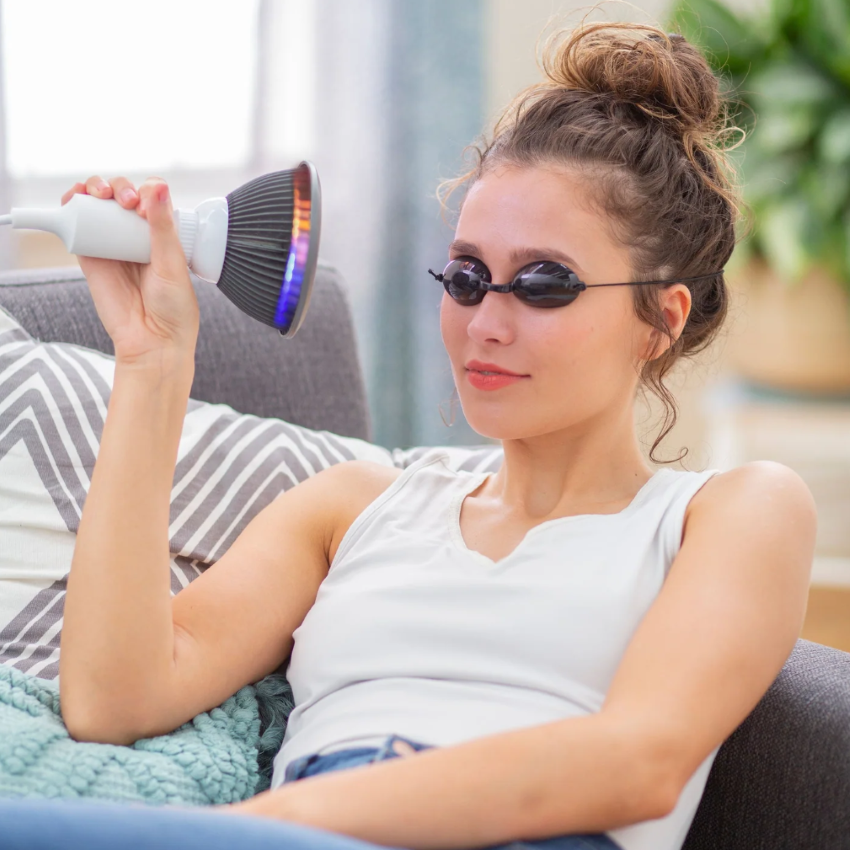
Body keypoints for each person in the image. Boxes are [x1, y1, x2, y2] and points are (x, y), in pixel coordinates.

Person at [0, 19, 817, 850]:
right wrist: (152, 363)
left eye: (543, 284)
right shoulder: (351, 510)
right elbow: (116, 701)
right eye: (466, 277)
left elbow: (635, 763)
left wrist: (262, 824)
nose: (485, 324)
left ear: (660, 321)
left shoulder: (730, 512)